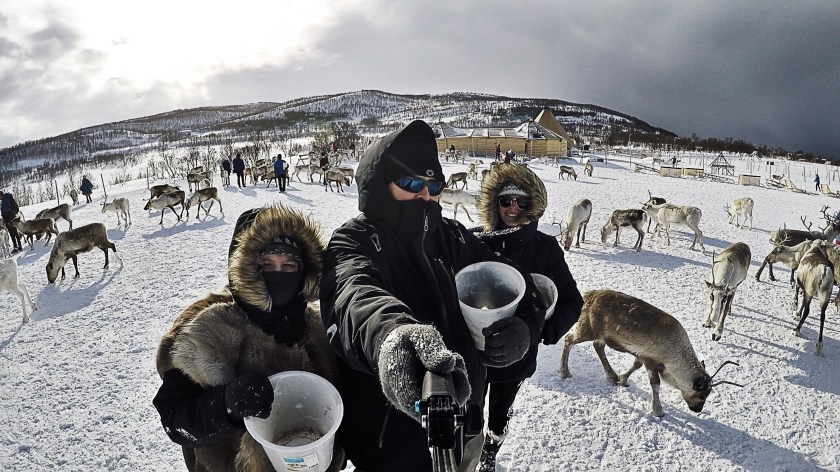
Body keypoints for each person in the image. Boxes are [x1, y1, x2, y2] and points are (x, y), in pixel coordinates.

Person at [320, 120, 545, 471]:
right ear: (379, 183)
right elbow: (354, 297)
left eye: (434, 185)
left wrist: (525, 327)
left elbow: (514, 281)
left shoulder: (451, 236)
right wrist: (394, 338)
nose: (425, 195)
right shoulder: (354, 241)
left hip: (466, 423)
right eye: (411, 183)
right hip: (392, 444)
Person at [153, 205, 342, 472]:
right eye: (266, 265)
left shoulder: (319, 328)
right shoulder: (210, 329)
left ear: (306, 271)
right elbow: (175, 419)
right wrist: (225, 405)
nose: (278, 274)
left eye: (289, 265)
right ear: (245, 267)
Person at [471, 164, 584, 472]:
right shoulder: (475, 242)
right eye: (505, 200)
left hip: (517, 358)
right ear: (494, 202)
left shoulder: (544, 248)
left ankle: (490, 451)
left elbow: (572, 301)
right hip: (474, 353)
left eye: (522, 202)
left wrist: (542, 331)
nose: (513, 208)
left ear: (532, 205)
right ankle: (470, 452)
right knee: (469, 412)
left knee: (499, 413)